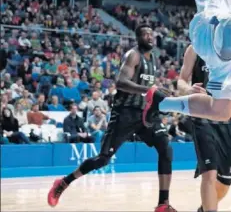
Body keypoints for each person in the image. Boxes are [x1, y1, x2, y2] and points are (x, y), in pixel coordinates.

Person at [47, 25, 176, 212]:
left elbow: (147, 86)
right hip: (125, 113)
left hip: (145, 113)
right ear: (138, 38)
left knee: (166, 148)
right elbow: (121, 83)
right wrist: (149, 90)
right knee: (103, 159)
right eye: (145, 34)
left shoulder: (154, 59)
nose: (149, 36)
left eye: (151, 34)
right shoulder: (133, 55)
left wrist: (161, 92)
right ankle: (63, 183)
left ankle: (163, 204)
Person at [177, 45, 231, 212]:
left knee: (225, 181)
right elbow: (181, 80)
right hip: (202, 117)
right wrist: (188, 89)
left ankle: (204, 209)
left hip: (227, 119)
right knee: (209, 173)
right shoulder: (196, 48)